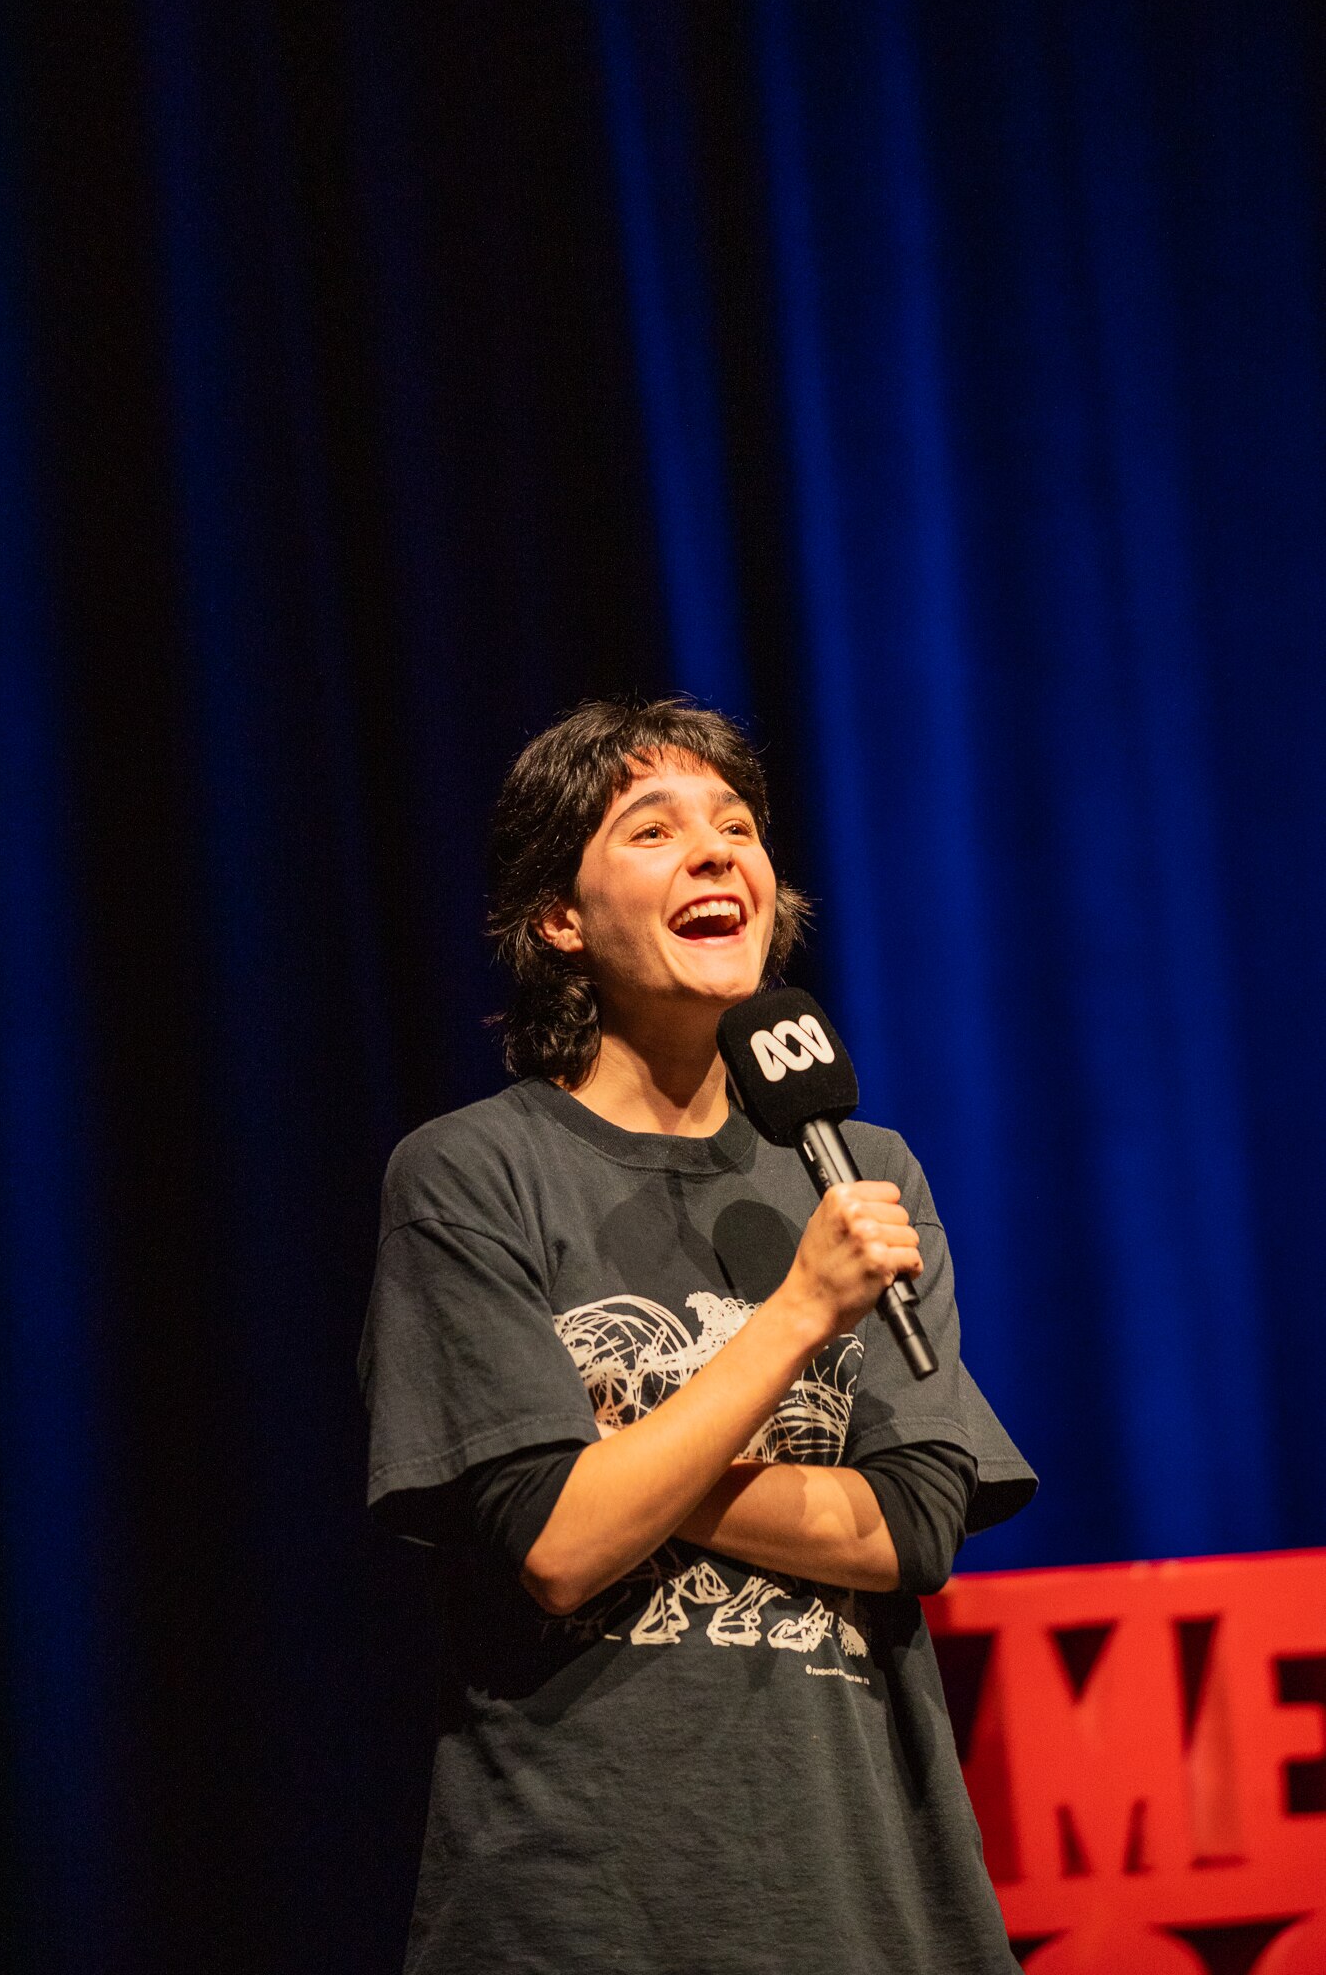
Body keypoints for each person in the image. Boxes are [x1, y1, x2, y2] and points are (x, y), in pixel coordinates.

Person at [359, 696, 1035, 1974]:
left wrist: (619, 1461)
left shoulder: (856, 1165)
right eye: (652, 830)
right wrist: (790, 1317)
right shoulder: (470, 1172)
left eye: (737, 825)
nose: (718, 851)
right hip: (587, 1904)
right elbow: (558, 1548)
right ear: (558, 918)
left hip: (869, 1900)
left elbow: (909, 1526)